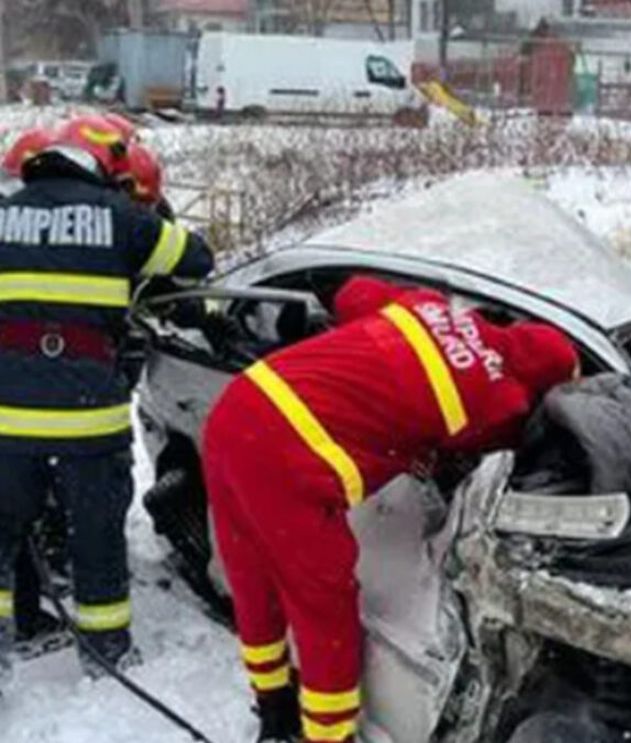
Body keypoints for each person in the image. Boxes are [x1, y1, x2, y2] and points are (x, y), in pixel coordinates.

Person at [202, 275, 580, 743]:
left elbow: (351, 291)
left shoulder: (431, 307)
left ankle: (274, 707)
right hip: (290, 457)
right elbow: (504, 449)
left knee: (252, 577)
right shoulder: (497, 399)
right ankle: (329, 734)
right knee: (324, 606)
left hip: (241, 407)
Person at [0, 114, 214, 691]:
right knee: (95, 537)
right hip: (86, 417)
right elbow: (197, 260)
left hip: (3, 419)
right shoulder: (123, 219)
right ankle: (107, 652)